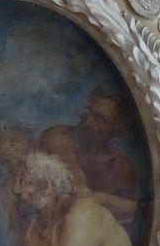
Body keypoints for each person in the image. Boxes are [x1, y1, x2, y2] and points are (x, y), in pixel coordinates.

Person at [37, 85, 137, 223]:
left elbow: (122, 223)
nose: (88, 122)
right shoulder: (57, 138)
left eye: (100, 119)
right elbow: (79, 195)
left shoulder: (121, 168)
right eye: (89, 110)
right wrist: (134, 207)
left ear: (116, 129)